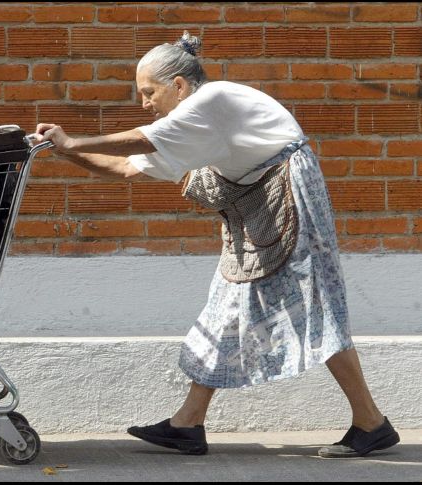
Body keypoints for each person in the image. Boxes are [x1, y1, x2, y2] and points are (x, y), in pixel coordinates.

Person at [34, 31, 399, 458]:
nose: (145, 103)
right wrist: (62, 152)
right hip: (256, 213)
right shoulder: (193, 126)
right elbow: (126, 168)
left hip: (289, 201)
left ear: (178, 85)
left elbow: (144, 139)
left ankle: (371, 422)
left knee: (314, 304)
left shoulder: (214, 99)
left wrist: (73, 141)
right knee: (225, 306)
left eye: (149, 93)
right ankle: (187, 424)